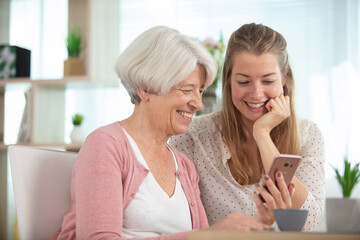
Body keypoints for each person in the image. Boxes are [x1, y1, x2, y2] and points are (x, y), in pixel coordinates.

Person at [51, 26, 270, 240]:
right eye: (187, 89)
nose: (198, 103)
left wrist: (256, 223)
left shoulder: (184, 166)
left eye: (200, 90)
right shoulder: (106, 145)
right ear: (145, 88)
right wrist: (207, 235)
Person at [170, 23, 325, 230]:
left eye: (268, 81)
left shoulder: (308, 135)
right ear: (229, 81)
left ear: (284, 79)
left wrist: (262, 134)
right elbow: (179, 227)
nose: (256, 94)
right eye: (244, 82)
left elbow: (307, 221)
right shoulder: (193, 137)